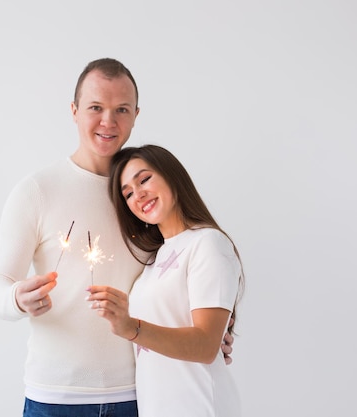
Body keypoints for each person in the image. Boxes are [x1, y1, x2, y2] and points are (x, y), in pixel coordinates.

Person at [0, 58, 234, 417]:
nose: (108, 122)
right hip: (57, 398)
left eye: (121, 110)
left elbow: (185, 278)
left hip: (141, 394)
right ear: (74, 111)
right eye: (95, 108)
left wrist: (210, 335)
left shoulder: (147, 200)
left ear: (135, 115)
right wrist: (15, 298)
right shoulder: (36, 191)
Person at [87, 144, 244, 417]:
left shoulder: (208, 243)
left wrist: (130, 327)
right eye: (128, 194)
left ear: (172, 176)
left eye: (144, 179)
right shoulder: (153, 260)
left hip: (201, 407)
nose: (139, 195)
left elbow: (207, 346)